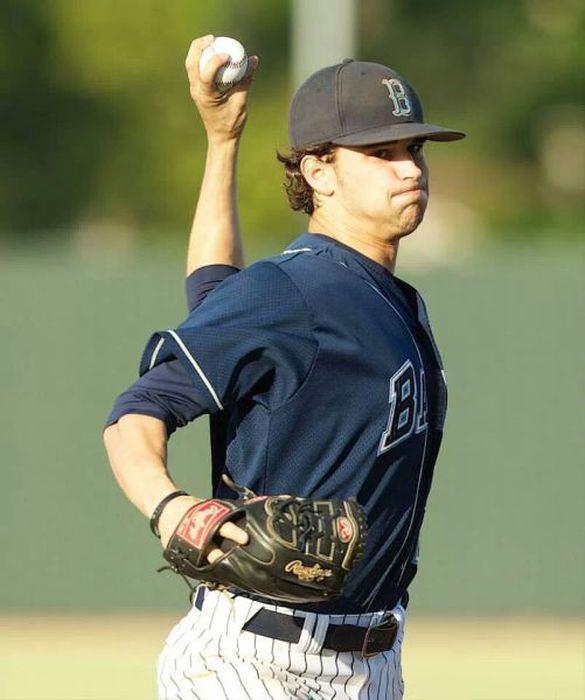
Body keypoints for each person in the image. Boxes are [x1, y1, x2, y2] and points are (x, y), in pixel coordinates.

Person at [103, 34, 465, 700]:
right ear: (319, 172)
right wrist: (170, 508)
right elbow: (136, 412)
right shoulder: (294, 288)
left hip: (373, 664)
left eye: (413, 148)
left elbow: (213, 291)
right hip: (256, 662)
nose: (409, 169)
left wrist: (222, 142)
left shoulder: (381, 297)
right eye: (381, 152)